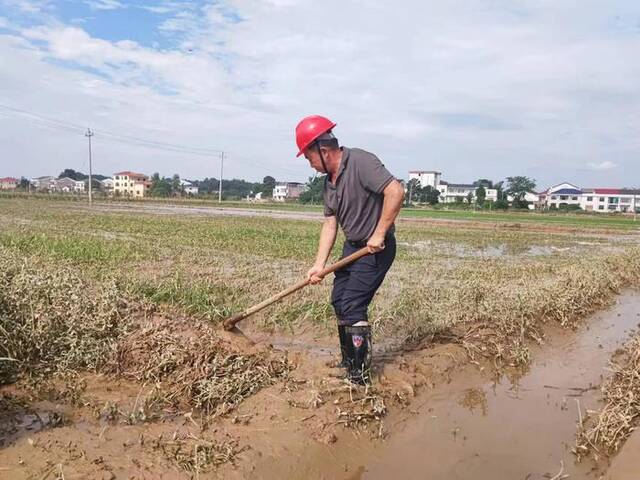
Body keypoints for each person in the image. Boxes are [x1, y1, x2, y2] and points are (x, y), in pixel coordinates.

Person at [296, 115, 404, 385]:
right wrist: (319, 264)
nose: (310, 166)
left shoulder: (360, 161)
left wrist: (379, 234)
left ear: (323, 150)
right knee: (339, 299)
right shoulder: (329, 183)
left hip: (375, 249)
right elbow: (330, 224)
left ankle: (359, 377)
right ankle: (349, 361)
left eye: (309, 158)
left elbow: (395, 191)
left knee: (353, 305)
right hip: (352, 247)